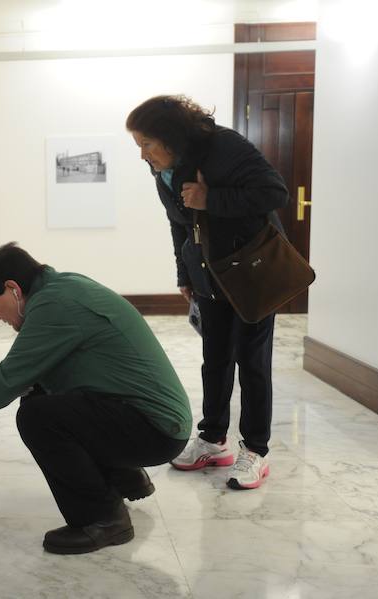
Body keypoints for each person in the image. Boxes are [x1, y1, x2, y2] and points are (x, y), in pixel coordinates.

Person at [0, 243, 191, 554]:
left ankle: (103, 519)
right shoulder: (61, 289)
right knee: (41, 396)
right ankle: (124, 476)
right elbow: (29, 375)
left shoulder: (54, 305)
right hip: (152, 421)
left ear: (13, 289)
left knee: (38, 418)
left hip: (155, 431)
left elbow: (12, 374)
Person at [126, 95, 288, 490]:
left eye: (147, 144)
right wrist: (185, 273)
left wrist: (210, 199)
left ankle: (256, 450)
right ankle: (214, 439)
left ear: (170, 136)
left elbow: (273, 193)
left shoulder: (224, 147)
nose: (143, 154)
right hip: (209, 273)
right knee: (214, 359)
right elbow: (178, 223)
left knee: (252, 363)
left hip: (252, 271)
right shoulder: (163, 169)